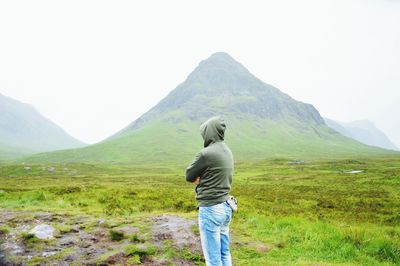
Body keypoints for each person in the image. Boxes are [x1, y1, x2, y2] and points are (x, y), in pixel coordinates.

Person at [186, 116, 234, 266]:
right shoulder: (227, 150)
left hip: (211, 208)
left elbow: (189, 175)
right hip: (226, 207)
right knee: (224, 253)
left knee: (213, 259)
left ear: (209, 132)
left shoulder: (206, 153)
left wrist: (199, 178)